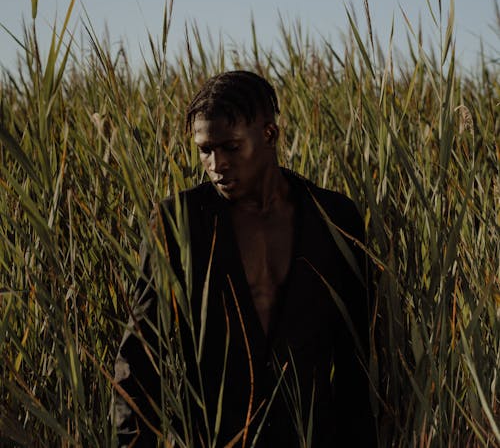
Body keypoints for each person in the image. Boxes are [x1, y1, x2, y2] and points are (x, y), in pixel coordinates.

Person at [112, 70, 376, 447]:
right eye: (205, 150)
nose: (217, 164)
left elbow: (357, 361)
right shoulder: (179, 221)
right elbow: (139, 355)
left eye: (231, 147)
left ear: (269, 134)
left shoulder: (334, 218)